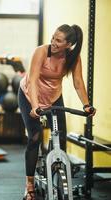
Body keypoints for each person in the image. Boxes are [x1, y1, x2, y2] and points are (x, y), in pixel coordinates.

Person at [18, 24, 96, 200]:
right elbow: (33, 80)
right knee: (35, 136)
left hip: (53, 97)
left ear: (68, 45)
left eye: (58, 40)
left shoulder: (73, 58)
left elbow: (78, 82)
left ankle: (50, 169)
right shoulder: (41, 51)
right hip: (30, 95)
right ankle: (29, 185)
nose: (53, 42)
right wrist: (35, 106)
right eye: (53, 37)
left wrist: (87, 105)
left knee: (60, 138)